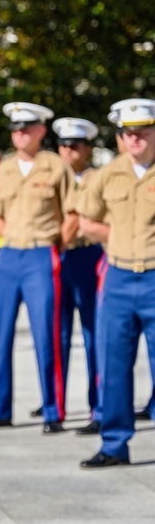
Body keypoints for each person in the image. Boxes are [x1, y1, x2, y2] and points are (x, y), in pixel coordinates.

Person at [0, 101, 73, 435]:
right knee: (0, 336)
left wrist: (56, 243)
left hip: (42, 254)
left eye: (27, 127)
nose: (20, 133)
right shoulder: (7, 169)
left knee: (47, 335)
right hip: (11, 254)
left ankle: (53, 410)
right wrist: (12, 234)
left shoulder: (55, 167)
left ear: (42, 130)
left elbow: (72, 213)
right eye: (15, 128)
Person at [75, 98, 155, 468]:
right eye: (128, 133)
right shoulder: (109, 174)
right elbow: (86, 220)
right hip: (120, 277)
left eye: (142, 132)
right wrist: (118, 234)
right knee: (114, 366)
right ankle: (114, 444)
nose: (134, 139)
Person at [52, 117, 104, 435]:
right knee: (55, 334)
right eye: (63, 146)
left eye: (74, 146)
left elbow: (75, 222)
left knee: (93, 335)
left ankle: (98, 406)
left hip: (86, 255)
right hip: (57, 256)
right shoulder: (51, 176)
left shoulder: (97, 178)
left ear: (87, 149)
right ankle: (53, 405)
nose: (68, 152)